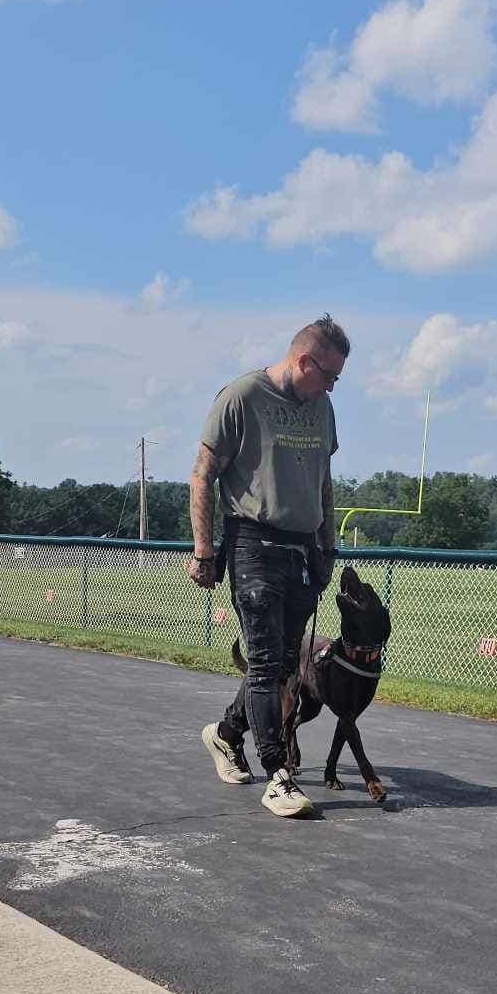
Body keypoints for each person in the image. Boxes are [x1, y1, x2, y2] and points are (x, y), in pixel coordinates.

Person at [188, 315, 348, 818]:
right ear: (304, 361)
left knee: (282, 663)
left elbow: (323, 481)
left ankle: (227, 733)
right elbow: (202, 474)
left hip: (303, 549)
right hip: (252, 542)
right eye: (329, 376)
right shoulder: (241, 399)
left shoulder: (322, 409)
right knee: (264, 660)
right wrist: (203, 550)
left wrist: (327, 547)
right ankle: (278, 774)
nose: (331, 386)